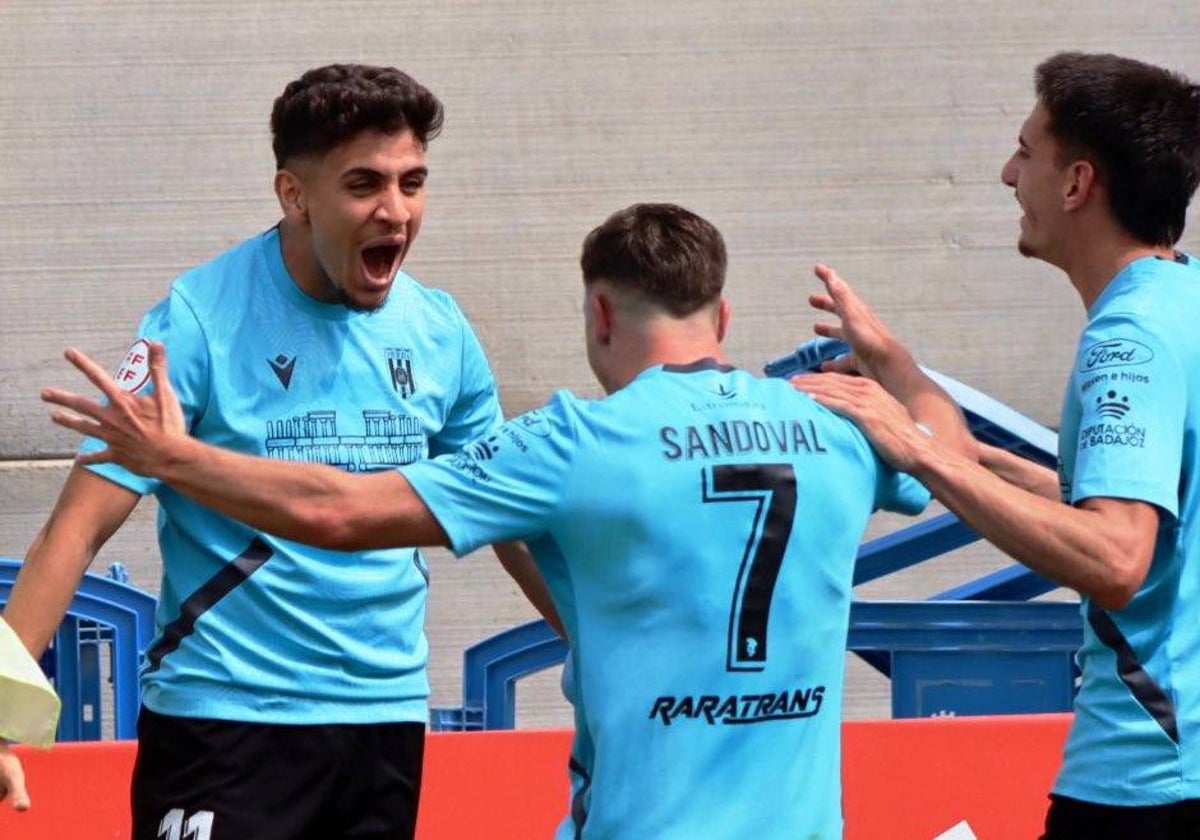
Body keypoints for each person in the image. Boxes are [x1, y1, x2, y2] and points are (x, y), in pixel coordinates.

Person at [43, 202, 969, 839]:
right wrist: (894, 363)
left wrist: (177, 458)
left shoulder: (576, 442)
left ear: (599, 313)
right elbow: (951, 458)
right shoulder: (840, 425)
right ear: (721, 310)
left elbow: (338, 509)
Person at [0, 63, 558, 840]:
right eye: (364, 184)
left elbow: (511, 519)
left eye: (413, 182)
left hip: (383, 724)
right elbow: (75, 527)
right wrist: (1, 712)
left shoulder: (440, 332)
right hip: (223, 722)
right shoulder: (197, 319)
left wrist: (598, 649)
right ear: (294, 194)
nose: (395, 211)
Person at [793, 52, 1200, 839]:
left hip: (1148, 782)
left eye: (1026, 151)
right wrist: (916, 391)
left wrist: (922, 455)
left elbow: (1117, 556)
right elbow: (1145, 509)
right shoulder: (1182, 302)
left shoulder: (1131, 338)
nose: (1008, 173)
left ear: (1078, 184)